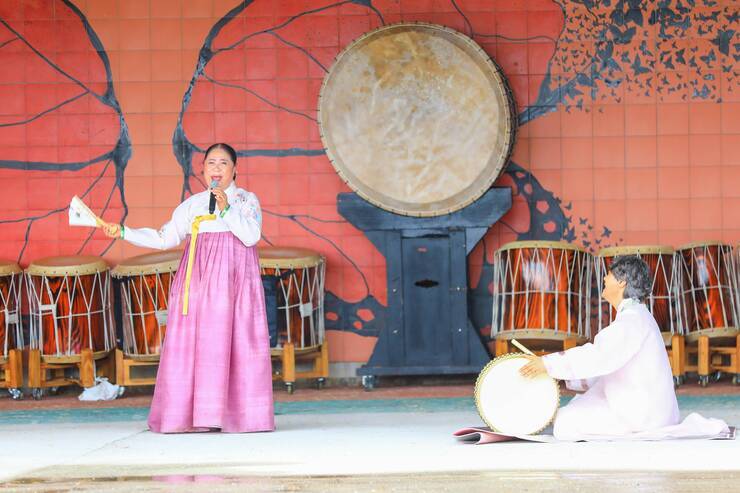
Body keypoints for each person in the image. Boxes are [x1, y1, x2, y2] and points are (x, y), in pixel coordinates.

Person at [103, 143, 274, 434]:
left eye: (223, 163)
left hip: (235, 282)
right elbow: (164, 237)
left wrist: (226, 209)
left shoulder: (246, 200)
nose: (216, 169)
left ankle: (240, 416)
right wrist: (123, 232)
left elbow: (251, 236)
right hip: (197, 281)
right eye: (211, 163)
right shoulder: (192, 204)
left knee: (236, 340)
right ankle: (197, 416)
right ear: (203, 169)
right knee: (199, 343)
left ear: (235, 169)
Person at [520, 255, 680, 440]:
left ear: (622, 282)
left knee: (565, 422)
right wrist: (556, 373)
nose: (604, 278)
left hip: (644, 416)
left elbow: (598, 356)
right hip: (648, 408)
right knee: (577, 405)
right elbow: (608, 364)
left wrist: (547, 365)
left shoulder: (632, 320)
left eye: (609, 275)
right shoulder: (637, 315)